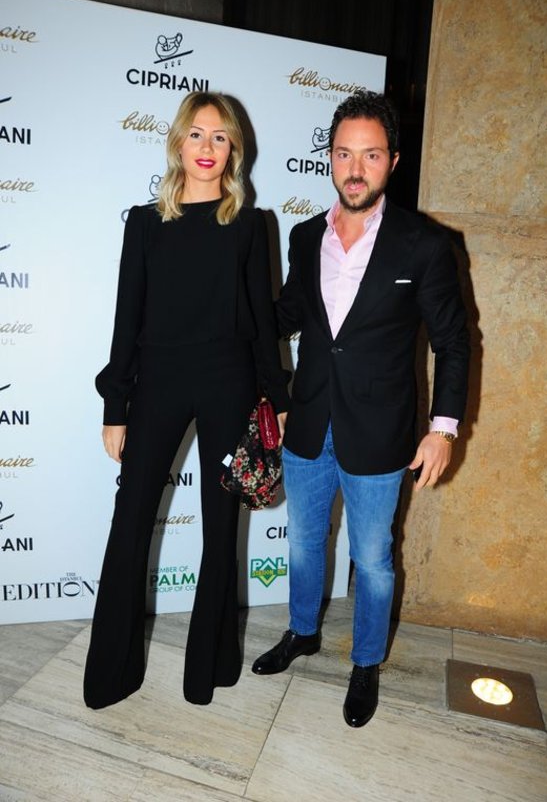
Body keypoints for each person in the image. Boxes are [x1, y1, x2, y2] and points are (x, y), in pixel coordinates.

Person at [251, 90, 469, 728]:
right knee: (302, 542)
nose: (355, 168)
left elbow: (455, 342)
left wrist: (443, 430)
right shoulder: (304, 237)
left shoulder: (424, 245)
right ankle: (302, 631)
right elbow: (287, 316)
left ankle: (366, 660)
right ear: (329, 156)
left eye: (370, 155)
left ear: (392, 161)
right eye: (344, 153)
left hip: (380, 431)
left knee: (371, 558)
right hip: (307, 421)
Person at [84, 91, 289, 709]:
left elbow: (262, 322)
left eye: (220, 137)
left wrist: (277, 398)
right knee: (130, 519)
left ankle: (210, 669)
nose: (207, 147)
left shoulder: (251, 225)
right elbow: (127, 319)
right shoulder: (146, 222)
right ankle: (112, 674)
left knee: (221, 527)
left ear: (234, 150)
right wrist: (116, 406)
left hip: (230, 381)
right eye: (197, 134)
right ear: (178, 143)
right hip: (160, 381)